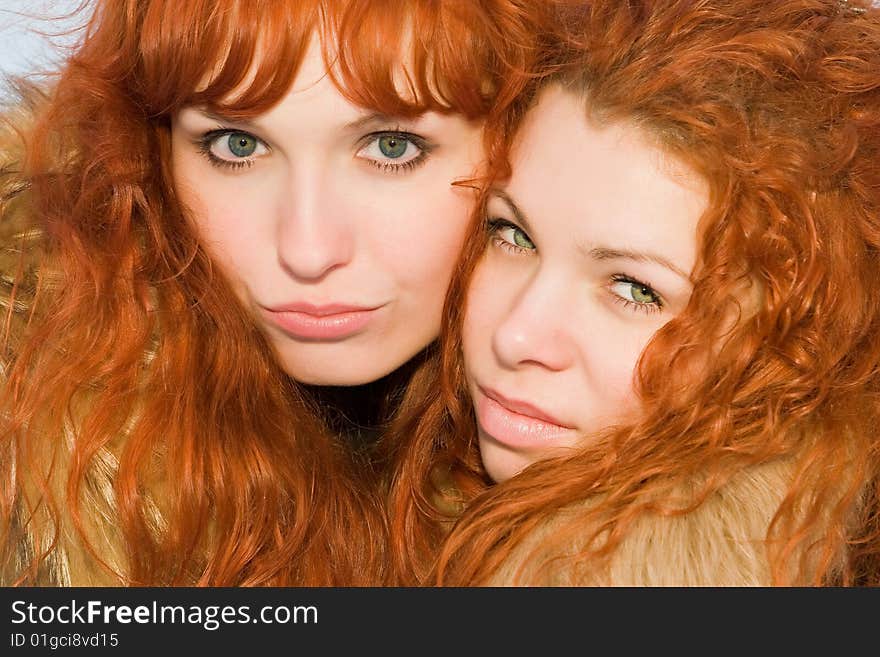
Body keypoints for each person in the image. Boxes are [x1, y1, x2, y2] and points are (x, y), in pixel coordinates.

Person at [0, 0, 543, 586]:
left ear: (520, 138)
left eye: (391, 146)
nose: (307, 251)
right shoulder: (30, 440)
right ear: (151, 154)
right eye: (236, 145)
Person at [388, 0, 880, 585]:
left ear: (792, 343)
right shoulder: (385, 475)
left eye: (633, 288)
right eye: (512, 234)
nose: (515, 334)